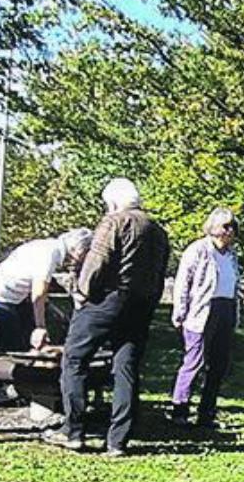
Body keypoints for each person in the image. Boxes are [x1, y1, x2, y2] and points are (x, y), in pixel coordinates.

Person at [48, 178, 170, 457]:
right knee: (126, 367)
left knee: (75, 359)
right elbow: (160, 271)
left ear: (113, 203)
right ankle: (118, 440)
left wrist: (81, 292)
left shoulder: (114, 222)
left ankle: (73, 431)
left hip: (109, 299)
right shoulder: (158, 230)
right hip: (142, 305)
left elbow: (98, 259)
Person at [169, 210, 242, 428]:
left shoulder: (232, 254)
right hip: (201, 312)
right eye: (225, 226)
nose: (229, 231)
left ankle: (207, 412)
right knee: (194, 361)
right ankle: (180, 409)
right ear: (212, 227)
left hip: (225, 309)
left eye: (233, 227)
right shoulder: (198, 250)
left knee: (219, 364)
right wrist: (180, 312)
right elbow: (183, 282)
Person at [0, 228, 92, 355]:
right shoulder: (50, 254)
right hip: (1, 296)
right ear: (79, 250)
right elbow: (39, 293)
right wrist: (40, 327)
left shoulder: (46, 245)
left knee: (23, 338)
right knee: (10, 346)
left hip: (12, 295)